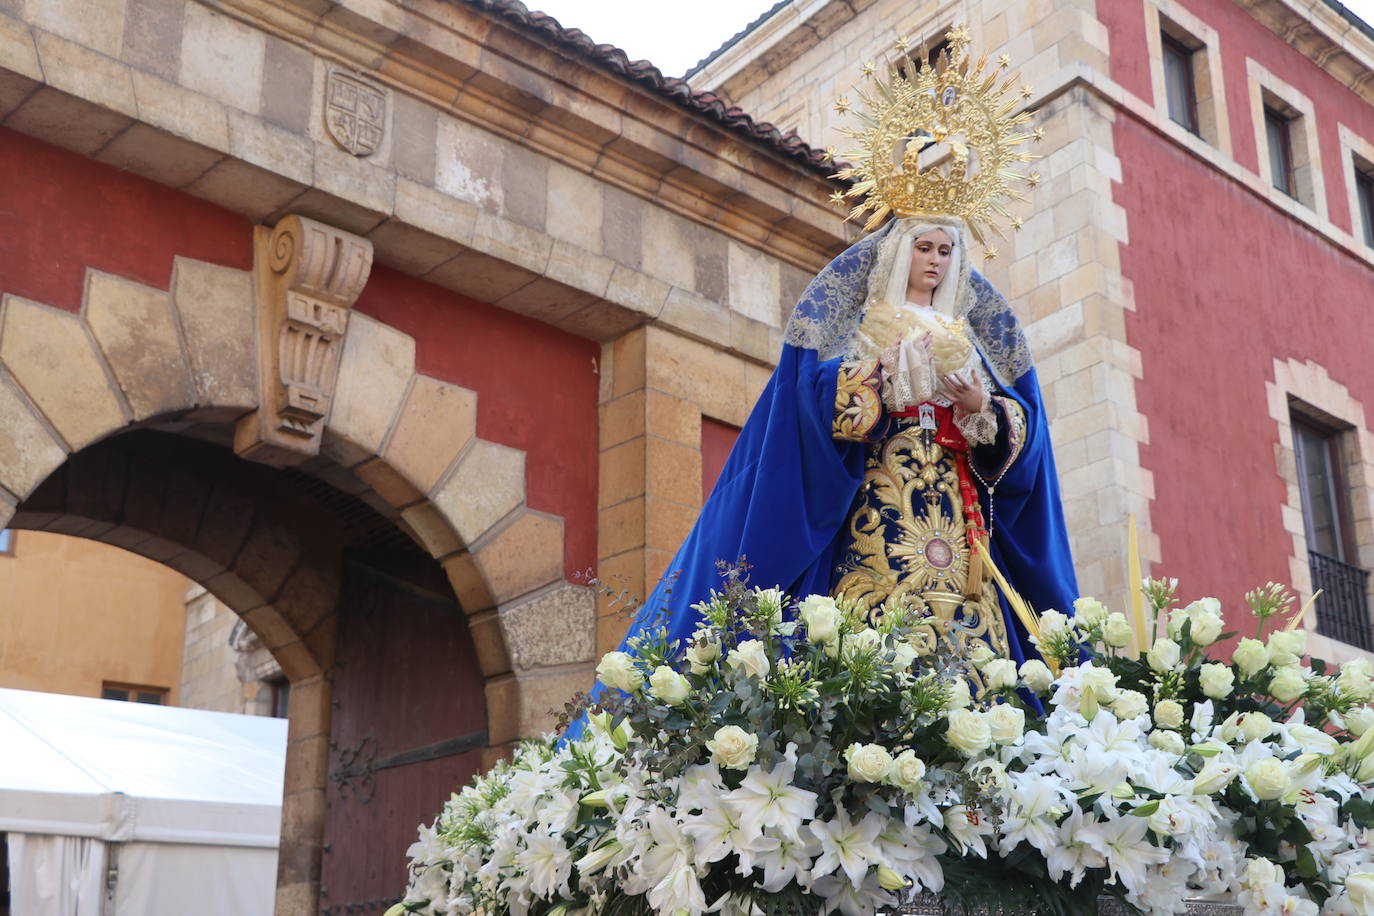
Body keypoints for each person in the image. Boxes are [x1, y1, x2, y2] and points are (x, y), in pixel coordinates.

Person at [598, 210, 1077, 696]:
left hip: (957, 519)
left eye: (945, 250)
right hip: (877, 505)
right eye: (924, 247)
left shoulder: (973, 336)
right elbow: (807, 394)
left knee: (980, 652)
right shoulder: (862, 322)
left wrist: (983, 410)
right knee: (868, 635)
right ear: (899, 252)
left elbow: (1023, 427)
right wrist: (880, 381)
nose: (934, 260)